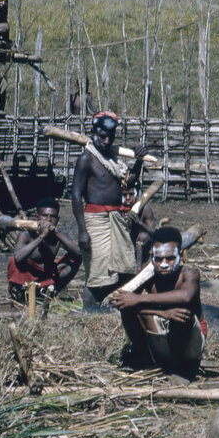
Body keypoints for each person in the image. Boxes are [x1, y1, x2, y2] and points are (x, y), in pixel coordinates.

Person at [71, 111, 148, 303]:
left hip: (116, 220)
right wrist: (82, 231)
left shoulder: (113, 159)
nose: (106, 141)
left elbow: (128, 182)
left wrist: (139, 161)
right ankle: (89, 314)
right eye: (102, 136)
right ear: (93, 132)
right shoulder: (86, 159)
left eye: (110, 137)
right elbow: (75, 195)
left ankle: (110, 304)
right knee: (97, 275)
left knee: (123, 268)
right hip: (96, 222)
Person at [110, 226, 205, 376]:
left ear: (180, 255)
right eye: (159, 259)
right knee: (128, 307)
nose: (164, 264)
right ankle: (147, 363)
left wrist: (140, 298)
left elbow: (186, 296)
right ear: (152, 257)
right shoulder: (148, 278)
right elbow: (122, 301)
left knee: (181, 314)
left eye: (170, 258)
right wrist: (163, 313)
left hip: (188, 347)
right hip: (159, 339)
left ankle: (178, 370)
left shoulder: (190, 274)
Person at [7, 197, 81, 303]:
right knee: (13, 261)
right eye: (45, 216)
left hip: (45, 278)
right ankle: (22, 294)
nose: (49, 220)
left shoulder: (58, 236)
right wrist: (42, 236)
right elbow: (18, 258)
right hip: (26, 280)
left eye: (53, 217)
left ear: (58, 219)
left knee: (75, 260)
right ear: (37, 217)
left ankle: (50, 291)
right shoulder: (26, 235)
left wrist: (56, 233)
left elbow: (77, 253)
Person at [121, 179, 157, 266]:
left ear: (136, 194)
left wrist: (139, 223)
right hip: (122, 244)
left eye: (131, 194)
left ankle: (138, 268)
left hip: (140, 246)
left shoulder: (145, 209)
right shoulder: (118, 209)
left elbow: (154, 233)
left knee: (143, 236)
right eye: (125, 195)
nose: (128, 198)